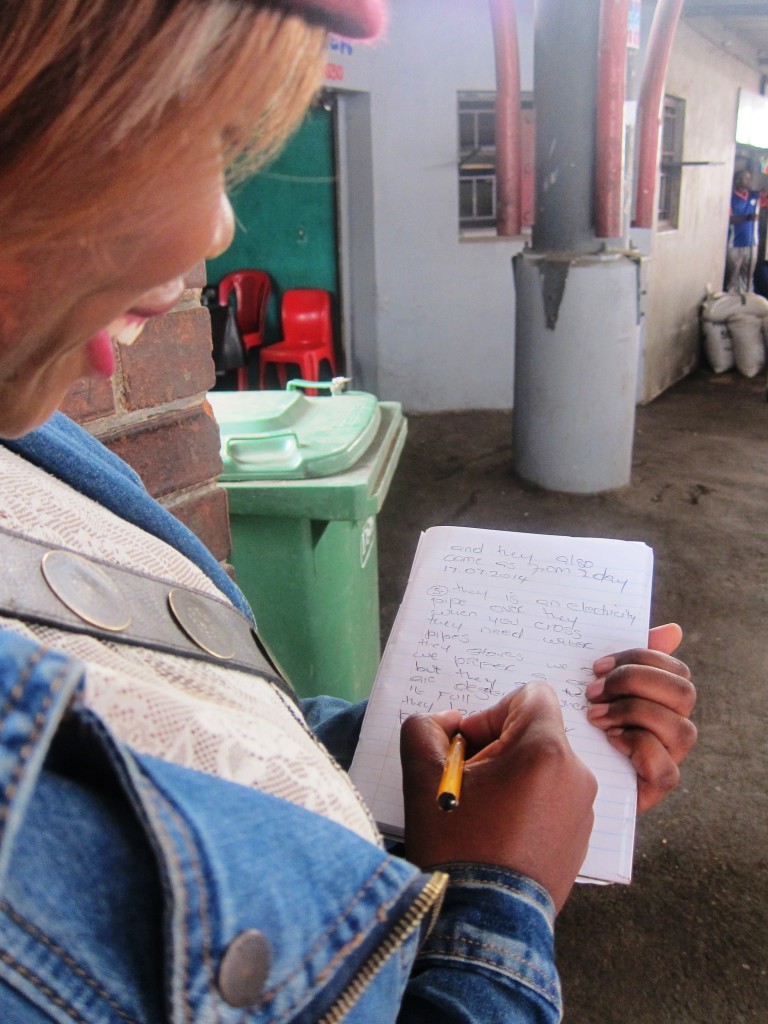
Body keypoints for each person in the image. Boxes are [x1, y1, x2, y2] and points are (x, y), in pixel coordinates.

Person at [0, 2, 696, 1021]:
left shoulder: (32, 448)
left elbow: (194, 736)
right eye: (175, 128)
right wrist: (499, 900)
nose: (216, 231)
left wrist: (434, 767)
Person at [726, 169, 762, 293]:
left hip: (752, 244)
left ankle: (747, 301)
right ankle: (732, 302)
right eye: (745, 178)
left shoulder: (754, 196)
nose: (749, 180)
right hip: (735, 244)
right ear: (737, 180)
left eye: (749, 178)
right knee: (733, 277)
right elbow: (728, 220)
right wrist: (747, 218)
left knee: (748, 277)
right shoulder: (730, 198)